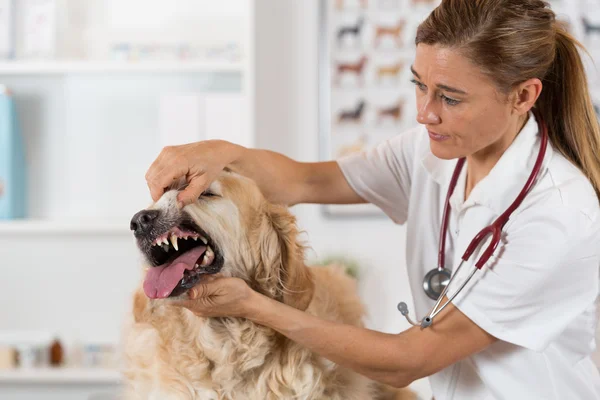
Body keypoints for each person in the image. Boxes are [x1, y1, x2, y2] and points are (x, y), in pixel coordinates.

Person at [144, 0, 600, 398]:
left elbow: (408, 360)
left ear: (523, 95)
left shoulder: (558, 214)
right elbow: (306, 182)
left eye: (451, 98)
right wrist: (226, 154)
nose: (425, 112)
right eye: (419, 84)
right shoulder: (432, 150)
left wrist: (254, 306)